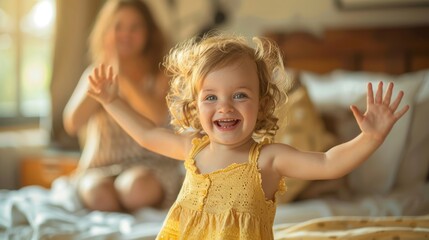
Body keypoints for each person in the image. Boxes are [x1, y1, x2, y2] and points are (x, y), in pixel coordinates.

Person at [86, 33, 409, 239]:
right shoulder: (193, 148)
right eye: (210, 97)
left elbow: (327, 163)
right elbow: (146, 134)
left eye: (239, 95)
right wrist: (111, 100)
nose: (224, 106)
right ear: (195, 107)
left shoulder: (267, 159)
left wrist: (370, 138)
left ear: (262, 103)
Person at [63, 0, 183, 212]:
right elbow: (72, 123)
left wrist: (122, 76)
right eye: (118, 26)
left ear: (148, 33)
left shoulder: (160, 73)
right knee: (99, 195)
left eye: (135, 27)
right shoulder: (95, 72)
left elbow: (156, 116)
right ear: (106, 31)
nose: (126, 34)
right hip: (101, 166)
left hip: (149, 166)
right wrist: (104, 78)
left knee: (135, 189)